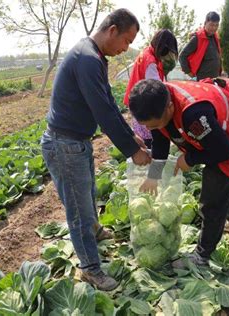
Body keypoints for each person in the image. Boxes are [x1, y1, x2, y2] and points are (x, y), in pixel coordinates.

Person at [41, 8, 151, 291]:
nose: (126, 48)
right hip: (64, 144)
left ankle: (96, 231)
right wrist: (131, 151)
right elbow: (102, 112)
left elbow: (110, 104)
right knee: (78, 209)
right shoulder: (88, 59)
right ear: (112, 30)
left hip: (76, 142)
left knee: (87, 194)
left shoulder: (95, 58)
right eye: (126, 41)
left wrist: (131, 136)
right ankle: (90, 268)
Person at [128, 79, 229, 268]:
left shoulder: (193, 115)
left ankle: (201, 256)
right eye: (147, 126)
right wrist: (153, 175)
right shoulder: (158, 104)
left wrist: (190, 159)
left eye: (153, 125)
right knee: (227, 185)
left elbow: (224, 151)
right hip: (215, 138)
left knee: (212, 201)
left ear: (170, 107)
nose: (149, 129)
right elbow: (161, 141)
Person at [123, 29, 178, 148]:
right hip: (144, 103)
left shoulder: (147, 53)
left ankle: (150, 155)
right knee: (151, 135)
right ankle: (150, 156)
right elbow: (157, 87)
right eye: (168, 50)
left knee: (145, 134)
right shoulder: (151, 62)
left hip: (138, 100)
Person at [179, 11, 222, 81]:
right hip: (201, 82)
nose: (214, 28)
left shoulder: (215, 38)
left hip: (214, 80)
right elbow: (182, 56)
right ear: (205, 23)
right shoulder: (197, 38)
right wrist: (189, 72)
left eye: (216, 25)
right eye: (211, 25)